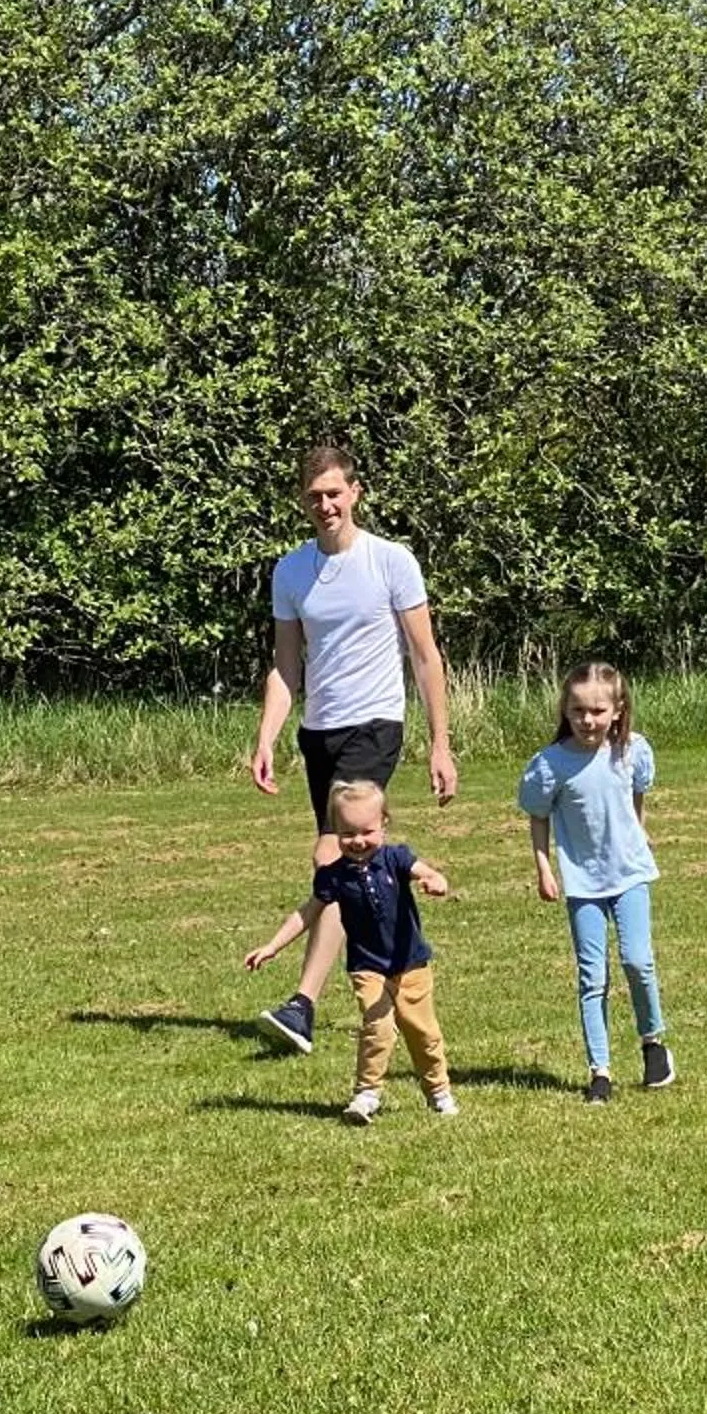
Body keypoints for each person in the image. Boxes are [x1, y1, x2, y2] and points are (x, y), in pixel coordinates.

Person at [247, 440, 458, 1055]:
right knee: (347, 866)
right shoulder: (290, 572)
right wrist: (266, 737)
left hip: (375, 725)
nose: (325, 505)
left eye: (335, 493)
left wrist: (440, 744)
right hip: (321, 732)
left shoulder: (391, 562)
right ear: (302, 502)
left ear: (355, 493)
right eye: (314, 497)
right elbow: (287, 668)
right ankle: (386, 973)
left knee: (332, 858)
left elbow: (425, 656)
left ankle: (303, 1004)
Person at [243, 780, 457, 1125]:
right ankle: (366, 1094)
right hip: (368, 967)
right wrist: (272, 946)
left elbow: (427, 871)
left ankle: (438, 1092)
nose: (357, 841)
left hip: (410, 964)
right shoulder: (334, 876)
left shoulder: (396, 858)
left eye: (366, 831)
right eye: (347, 833)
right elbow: (305, 914)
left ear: (384, 823)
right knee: (378, 1026)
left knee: (423, 1033)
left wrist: (436, 881)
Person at [518, 660, 675, 1105]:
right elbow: (538, 815)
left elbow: (635, 792)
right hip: (583, 883)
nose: (588, 721)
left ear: (618, 710)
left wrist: (640, 828)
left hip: (630, 873)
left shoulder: (632, 751)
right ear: (565, 712)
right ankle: (600, 1071)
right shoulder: (550, 765)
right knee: (593, 977)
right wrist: (544, 867)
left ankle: (653, 1043)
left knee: (638, 961)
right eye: (578, 711)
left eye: (598, 711)